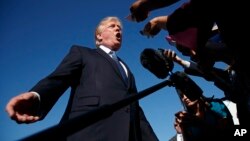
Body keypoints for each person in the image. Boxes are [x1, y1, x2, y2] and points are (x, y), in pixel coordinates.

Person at [5, 16, 159, 141]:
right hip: (88, 132)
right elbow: (58, 78)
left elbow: (135, 109)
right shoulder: (82, 53)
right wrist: (36, 96)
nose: (118, 29)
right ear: (99, 36)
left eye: (119, 28)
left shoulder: (127, 70)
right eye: (112, 26)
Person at [170, 71, 236, 141]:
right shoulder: (186, 119)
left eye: (186, 93)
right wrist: (182, 131)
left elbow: (229, 131)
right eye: (182, 96)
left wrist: (199, 123)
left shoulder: (215, 105)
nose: (185, 98)